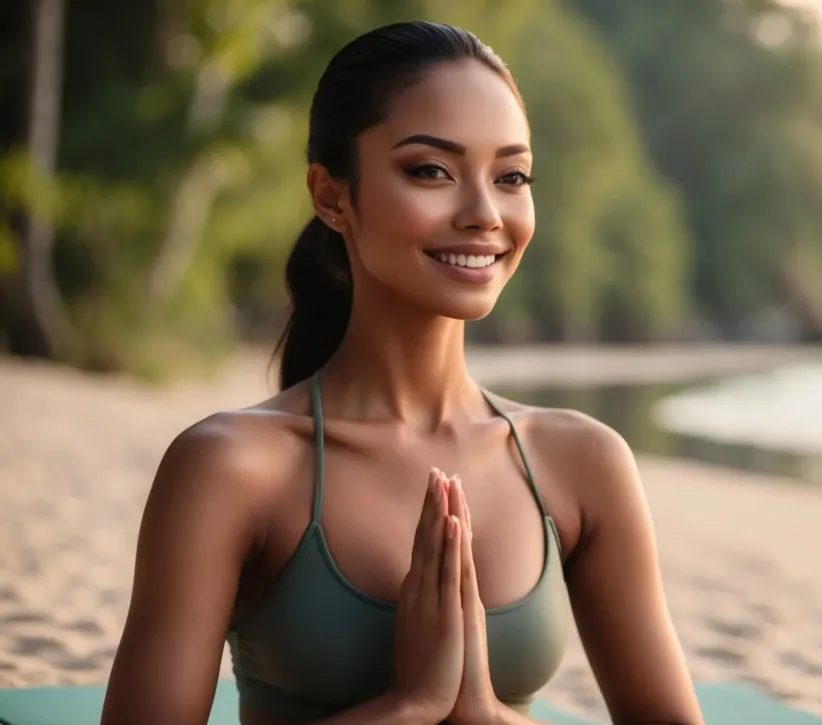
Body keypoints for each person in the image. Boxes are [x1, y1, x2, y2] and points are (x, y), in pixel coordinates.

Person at [100, 21, 704, 725]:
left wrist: (484, 713)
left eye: (511, 176)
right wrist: (409, 706)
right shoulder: (231, 468)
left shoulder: (582, 462)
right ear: (332, 196)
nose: (484, 214)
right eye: (431, 171)